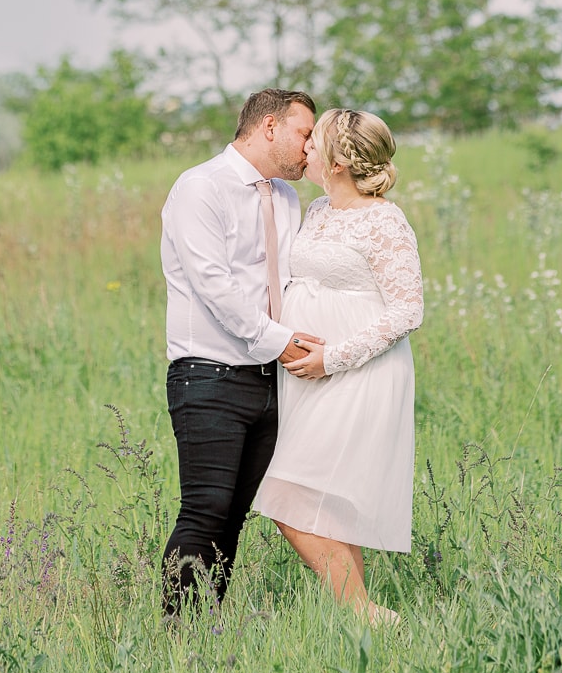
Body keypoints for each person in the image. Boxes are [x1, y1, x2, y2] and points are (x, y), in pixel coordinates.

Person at [253, 108, 423, 623]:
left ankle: (365, 613)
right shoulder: (319, 210)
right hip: (306, 375)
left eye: (314, 140)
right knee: (318, 496)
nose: (304, 147)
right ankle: (365, 621)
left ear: (339, 161)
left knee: (284, 492)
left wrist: (334, 357)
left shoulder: (384, 220)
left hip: (357, 369)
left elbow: (407, 307)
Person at [159, 87, 322, 616]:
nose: (309, 148)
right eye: (304, 134)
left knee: (233, 515)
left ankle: (207, 631)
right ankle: (177, 636)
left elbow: (291, 283)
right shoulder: (200, 188)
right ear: (269, 126)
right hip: (208, 373)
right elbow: (215, 288)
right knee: (205, 509)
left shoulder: (286, 198)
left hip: (272, 378)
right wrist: (285, 343)